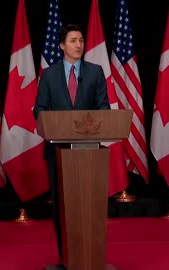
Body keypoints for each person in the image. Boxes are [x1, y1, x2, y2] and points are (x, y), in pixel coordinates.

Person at [33, 24, 110, 261]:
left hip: (90, 151)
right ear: (62, 45)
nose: (79, 45)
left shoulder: (96, 72)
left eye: (81, 41)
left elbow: (104, 108)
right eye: (74, 40)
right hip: (58, 151)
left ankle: (92, 257)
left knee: (91, 205)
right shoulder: (49, 75)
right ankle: (66, 256)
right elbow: (40, 109)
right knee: (63, 205)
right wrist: (56, 125)